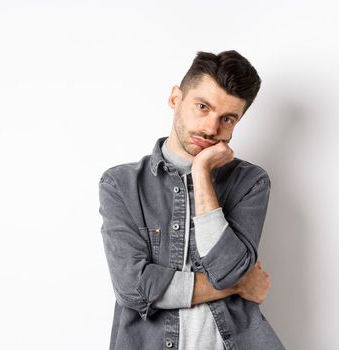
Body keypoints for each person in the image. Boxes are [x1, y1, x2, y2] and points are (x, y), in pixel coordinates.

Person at [98, 50, 285, 350]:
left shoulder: (250, 182)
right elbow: (133, 289)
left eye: (227, 118)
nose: (211, 129)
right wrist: (238, 285)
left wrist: (201, 173)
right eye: (202, 106)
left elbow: (227, 269)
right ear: (175, 98)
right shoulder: (120, 185)